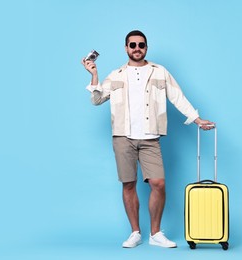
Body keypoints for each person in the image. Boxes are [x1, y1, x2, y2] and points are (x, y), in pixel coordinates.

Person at [82, 30, 214, 248]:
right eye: (132, 45)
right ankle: (135, 232)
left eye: (141, 45)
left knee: (158, 184)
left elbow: (177, 96)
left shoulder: (159, 71)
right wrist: (94, 75)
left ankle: (155, 234)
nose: (136, 48)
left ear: (146, 47)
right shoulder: (116, 74)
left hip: (150, 136)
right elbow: (97, 101)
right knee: (128, 184)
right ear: (126, 48)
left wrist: (197, 119)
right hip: (123, 136)